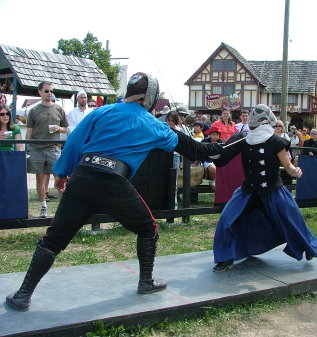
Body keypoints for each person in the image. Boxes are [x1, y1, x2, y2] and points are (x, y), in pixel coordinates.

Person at [5, 72, 224, 312]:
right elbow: (197, 150)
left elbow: (75, 141)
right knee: (147, 228)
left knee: (54, 239)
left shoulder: (102, 111)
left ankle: (23, 295)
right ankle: (146, 281)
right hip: (113, 183)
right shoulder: (154, 125)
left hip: (82, 177)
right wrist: (236, 144)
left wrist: (61, 173)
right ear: (150, 97)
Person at [212, 104, 317, 272]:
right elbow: (222, 157)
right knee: (227, 219)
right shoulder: (243, 140)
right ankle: (225, 258)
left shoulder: (276, 141)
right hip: (248, 191)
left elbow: (288, 166)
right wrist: (212, 151)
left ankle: (308, 247)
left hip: (273, 190)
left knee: (292, 220)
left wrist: (295, 170)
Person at [26, 81, 68, 218]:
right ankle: (44, 207)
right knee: (39, 178)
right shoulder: (33, 110)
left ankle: (64, 208)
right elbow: (29, 131)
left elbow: (66, 128)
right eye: (46, 91)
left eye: (51, 91)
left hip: (53, 148)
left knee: (60, 177)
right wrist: (27, 148)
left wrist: (59, 128)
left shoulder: (59, 109)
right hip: (36, 148)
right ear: (39, 92)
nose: (49, 93)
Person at [302, 129, 317, 200]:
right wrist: (315, 157)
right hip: (307, 164)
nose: (312, 135)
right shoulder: (306, 142)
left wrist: (316, 158)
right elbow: (309, 154)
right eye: (311, 133)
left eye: (314, 134)